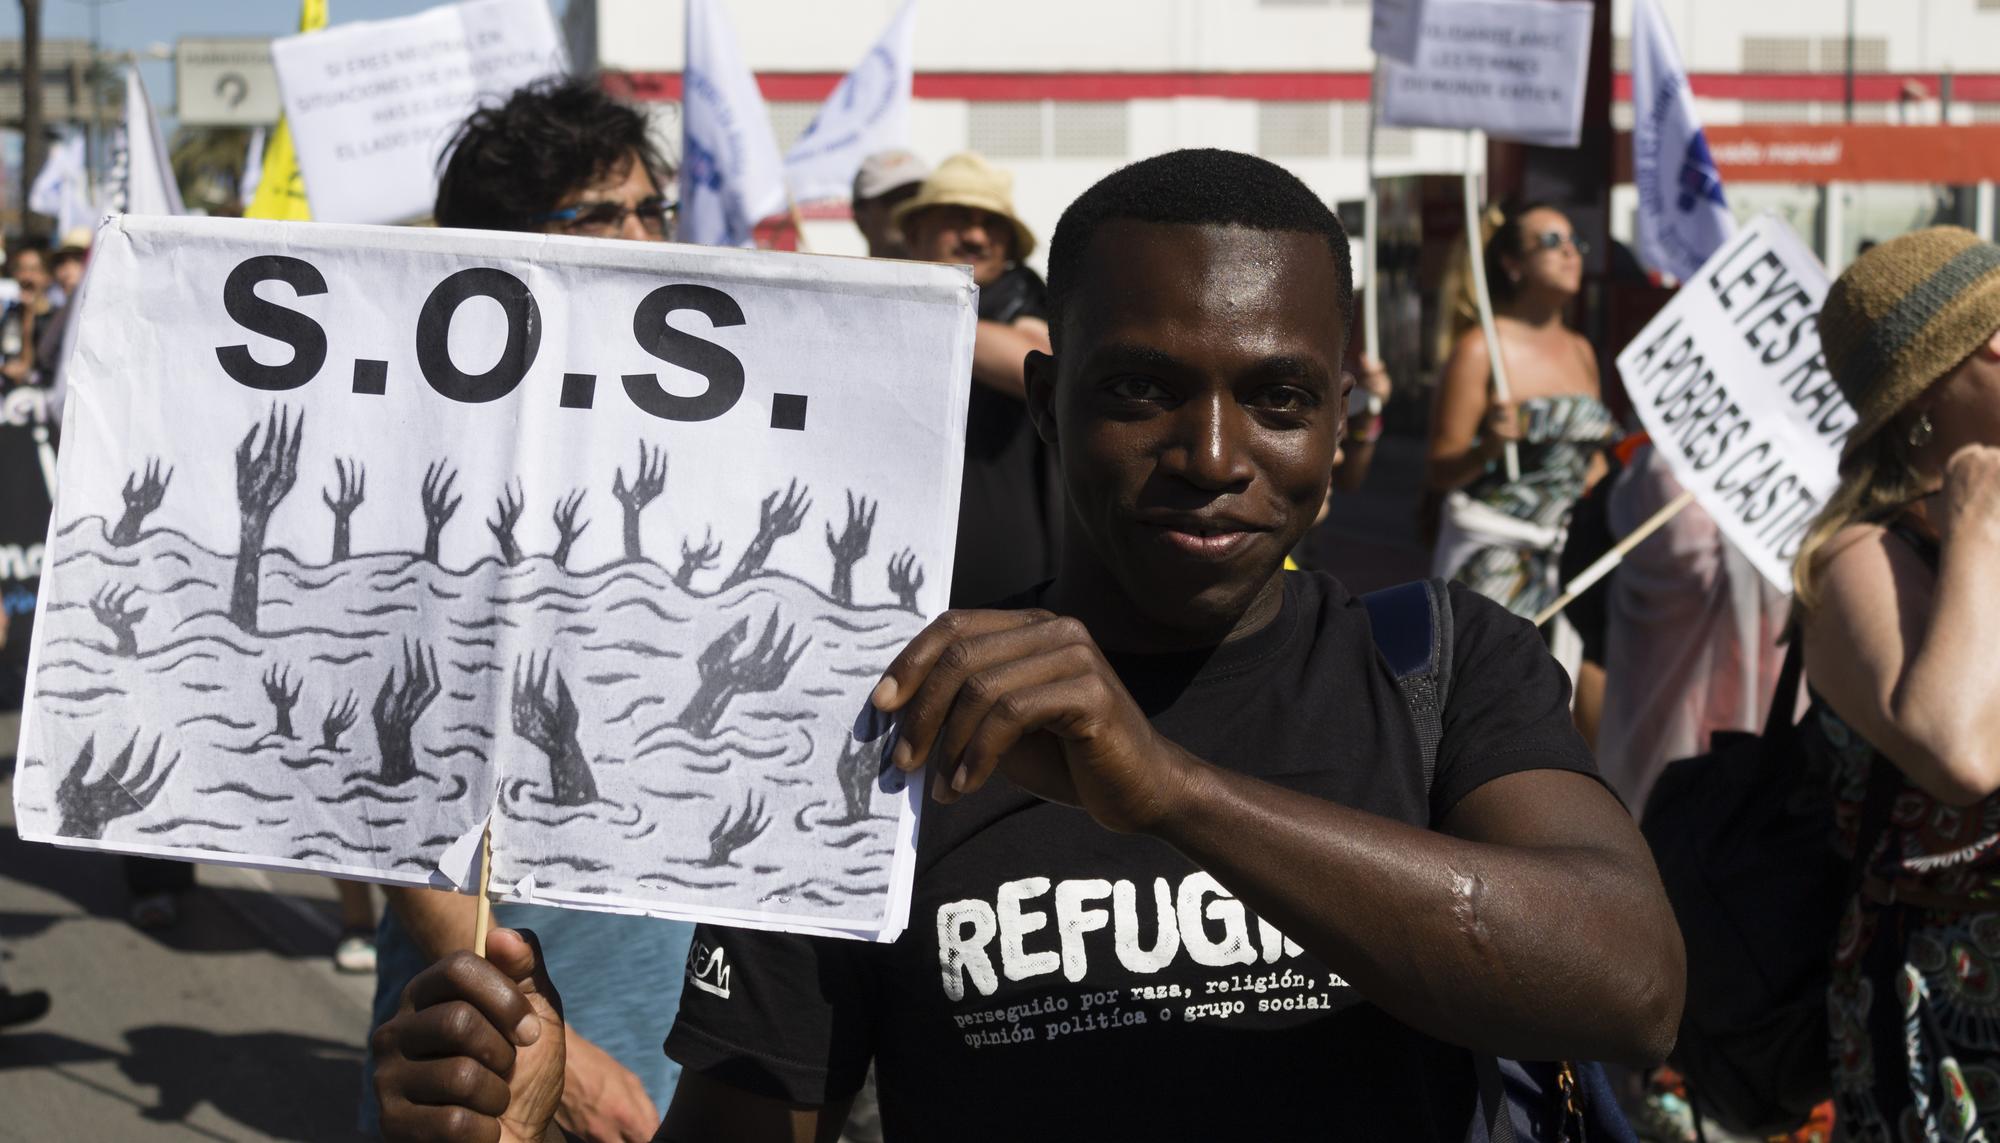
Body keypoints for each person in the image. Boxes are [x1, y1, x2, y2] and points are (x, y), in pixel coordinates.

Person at [371, 148, 1684, 1142]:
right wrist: (533, 1113)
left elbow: (1630, 980)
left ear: (1343, 424)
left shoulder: (1443, 663)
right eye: (1143, 389)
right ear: (1050, 402)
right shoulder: (878, 730)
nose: (1215, 457)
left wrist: (1170, 790)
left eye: (1277, 396)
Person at [357, 76, 695, 1143]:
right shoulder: (427, 464)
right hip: (508, 1040)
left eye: (652, 209)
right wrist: (568, 1055)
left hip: (709, 1039)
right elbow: (380, 796)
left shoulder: (700, 442)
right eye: (601, 213)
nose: (641, 236)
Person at [1791, 227, 2000, 1139]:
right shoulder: (1857, 561)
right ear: (1924, 392)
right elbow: (1958, 753)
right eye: (1991, 331)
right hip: (1950, 1003)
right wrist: (1977, 528)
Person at [1425, 204, 1615, 666]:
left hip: (1571, 560)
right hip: (1497, 567)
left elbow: (1590, 457)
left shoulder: (1581, 350)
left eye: (1574, 242)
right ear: (1513, 265)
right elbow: (1439, 470)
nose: (1570, 253)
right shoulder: (1479, 350)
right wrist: (1489, 448)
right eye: (1552, 242)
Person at [893, 152, 1061, 608]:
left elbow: (1039, 362)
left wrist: (920, 319)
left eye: (991, 224)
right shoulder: (890, 300)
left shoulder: (1023, 298)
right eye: (957, 219)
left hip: (1002, 578)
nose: (975, 236)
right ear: (913, 233)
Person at [849, 149, 929, 259]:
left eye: (918, 198)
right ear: (860, 217)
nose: (909, 210)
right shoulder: (832, 275)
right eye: (897, 198)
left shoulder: (955, 274)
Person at [1, 246, 51, 389]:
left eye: (33, 270)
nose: (27, 277)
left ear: (46, 277)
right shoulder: (10, 313)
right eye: (21, 270)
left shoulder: (54, 319)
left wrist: (29, 315)